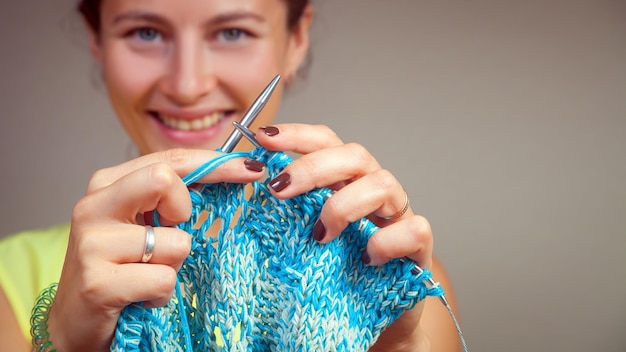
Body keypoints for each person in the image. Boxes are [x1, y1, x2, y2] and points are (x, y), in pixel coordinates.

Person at [0, 0, 461, 351]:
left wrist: (390, 343)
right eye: (145, 32)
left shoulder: (391, 278)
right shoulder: (8, 280)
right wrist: (60, 338)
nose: (187, 84)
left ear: (296, 39)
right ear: (96, 39)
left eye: (233, 31)